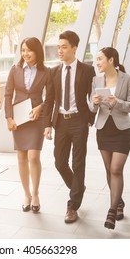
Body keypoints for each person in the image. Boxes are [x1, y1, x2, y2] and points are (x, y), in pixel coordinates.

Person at [43, 30, 95, 223]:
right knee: (59, 162)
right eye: (58, 47)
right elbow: (49, 101)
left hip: (79, 121)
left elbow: (94, 95)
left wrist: (90, 118)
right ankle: (78, 187)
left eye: (64, 47)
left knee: (78, 163)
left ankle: (72, 206)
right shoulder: (53, 72)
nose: (60, 50)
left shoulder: (87, 70)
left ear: (74, 48)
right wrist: (47, 124)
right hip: (61, 123)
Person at [89, 47, 130, 229]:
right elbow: (92, 108)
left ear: (111, 60)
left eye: (100, 59)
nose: (97, 63)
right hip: (103, 129)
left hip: (122, 130)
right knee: (109, 169)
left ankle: (111, 211)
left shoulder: (128, 79)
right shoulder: (96, 79)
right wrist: (93, 103)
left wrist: (117, 102)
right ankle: (119, 202)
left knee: (116, 169)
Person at [4, 37, 51, 213]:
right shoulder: (14, 69)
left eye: (28, 50)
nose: (25, 54)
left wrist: (41, 107)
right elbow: (8, 94)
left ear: (37, 51)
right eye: (23, 50)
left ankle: (36, 193)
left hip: (36, 119)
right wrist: (9, 117)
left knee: (33, 157)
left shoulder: (46, 72)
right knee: (21, 157)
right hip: (19, 119)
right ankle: (26, 194)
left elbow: (52, 97)